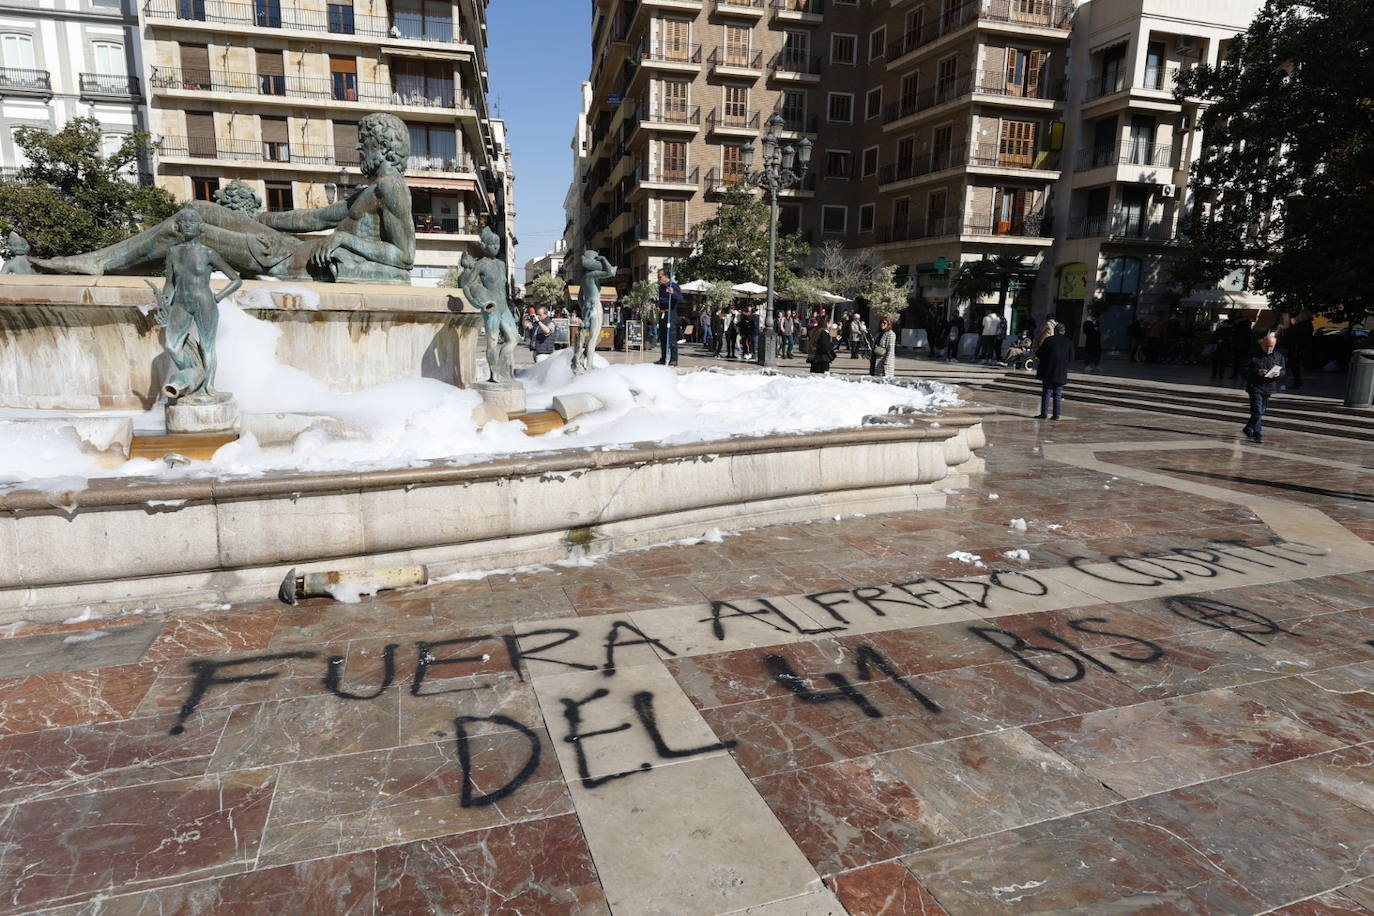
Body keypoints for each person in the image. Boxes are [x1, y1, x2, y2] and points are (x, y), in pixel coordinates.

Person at [35, 112, 416, 283]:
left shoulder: (391, 187)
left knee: (188, 229)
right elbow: (314, 220)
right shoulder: (368, 191)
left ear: (382, 147)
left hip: (289, 262)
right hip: (285, 247)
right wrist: (257, 219)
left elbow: (405, 256)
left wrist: (345, 239)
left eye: (362, 144)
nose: (358, 153)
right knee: (201, 207)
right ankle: (99, 261)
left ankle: (97, 263)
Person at [1243, 331, 1284, 443]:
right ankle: (1257, 433)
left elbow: (1283, 369)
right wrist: (1257, 371)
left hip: (1269, 386)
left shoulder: (1278, 356)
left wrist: (1279, 373)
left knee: (1261, 410)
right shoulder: (1253, 355)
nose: (1269, 348)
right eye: (1267, 346)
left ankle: (1248, 428)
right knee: (1257, 410)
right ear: (1262, 344)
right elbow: (1244, 370)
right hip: (1255, 386)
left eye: (1272, 346)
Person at [1034, 322, 1073, 420]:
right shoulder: (1069, 342)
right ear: (1064, 331)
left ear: (1055, 331)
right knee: (1058, 393)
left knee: (1047, 392)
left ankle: (1044, 413)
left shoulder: (1049, 340)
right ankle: (1056, 414)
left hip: (1048, 370)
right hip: (1061, 371)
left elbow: (1039, 354)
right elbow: (1071, 358)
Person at [655, 268, 683, 366]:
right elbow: (661, 299)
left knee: (671, 336)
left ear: (666, 276)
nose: (658, 278)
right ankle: (663, 358)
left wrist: (673, 293)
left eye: (660, 276)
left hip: (671, 313)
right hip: (662, 314)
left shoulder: (674, 286)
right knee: (662, 337)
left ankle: (674, 359)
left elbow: (680, 298)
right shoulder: (661, 287)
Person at [1285, 310, 1313, 389]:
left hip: (1297, 348)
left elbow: (1294, 335)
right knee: (1294, 366)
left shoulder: (1302, 325)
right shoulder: (1308, 325)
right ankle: (1297, 381)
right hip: (1299, 348)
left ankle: (1296, 382)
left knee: (1294, 365)